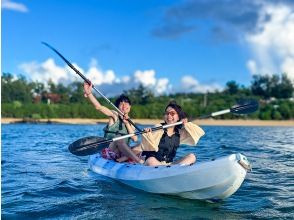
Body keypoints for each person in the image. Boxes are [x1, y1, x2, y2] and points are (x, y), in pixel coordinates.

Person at [83, 82, 143, 164]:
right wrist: (89, 93)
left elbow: (135, 139)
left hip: (122, 153)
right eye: (121, 104)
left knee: (142, 144)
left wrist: (126, 123)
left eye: (126, 103)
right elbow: (99, 107)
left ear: (130, 106)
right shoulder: (114, 115)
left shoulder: (130, 122)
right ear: (117, 107)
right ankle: (138, 160)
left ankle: (123, 159)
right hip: (110, 151)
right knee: (119, 137)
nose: (124, 105)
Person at [139, 101, 205, 166]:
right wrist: (147, 134)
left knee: (192, 156)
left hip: (169, 165)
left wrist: (187, 124)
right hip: (154, 163)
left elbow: (199, 132)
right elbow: (147, 148)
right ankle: (166, 170)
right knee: (151, 160)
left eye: (172, 113)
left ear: (178, 117)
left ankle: (175, 170)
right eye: (167, 113)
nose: (169, 116)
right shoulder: (158, 128)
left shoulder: (179, 133)